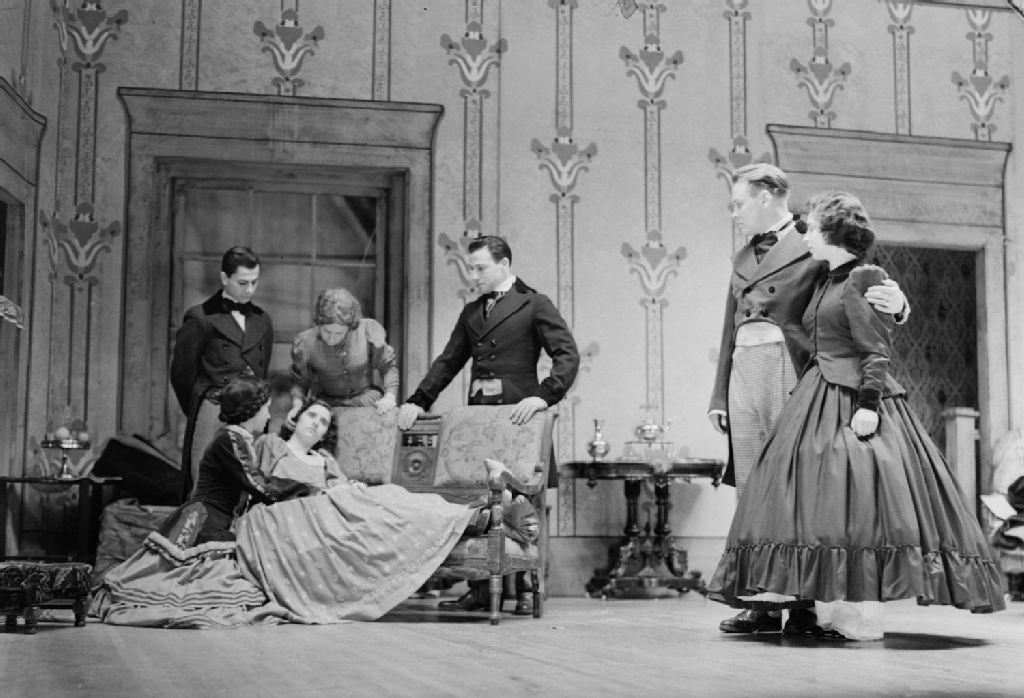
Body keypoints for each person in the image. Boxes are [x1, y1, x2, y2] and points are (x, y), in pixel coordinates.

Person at [707, 190, 1005, 641]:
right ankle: (786, 605)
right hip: (807, 388)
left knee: (855, 500)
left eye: (813, 227)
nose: (806, 233)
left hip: (844, 393)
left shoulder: (853, 272)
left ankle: (842, 614)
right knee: (806, 501)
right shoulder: (822, 275)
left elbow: (875, 342)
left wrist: (896, 311)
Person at [709, 164, 909, 634]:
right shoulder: (743, 255)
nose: (734, 213)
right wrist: (718, 394)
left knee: (793, 486)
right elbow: (728, 327)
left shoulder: (815, 239)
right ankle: (761, 600)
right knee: (752, 483)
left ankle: (801, 601)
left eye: (738, 203)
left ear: (764, 197)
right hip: (744, 369)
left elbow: (857, 285)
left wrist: (899, 305)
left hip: (793, 366)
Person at [396, 234, 580, 615]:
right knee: (479, 497)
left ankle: (527, 590)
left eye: (480, 268)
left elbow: (567, 354)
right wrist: (418, 401)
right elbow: (447, 362)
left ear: (504, 264)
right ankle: (481, 591)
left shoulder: (534, 304)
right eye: (471, 269)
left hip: (518, 419)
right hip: (480, 420)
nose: (473, 276)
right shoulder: (471, 313)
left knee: (522, 502)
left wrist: (544, 396)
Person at [92, 376, 313, 629]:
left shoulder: (237, 438)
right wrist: (303, 487)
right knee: (189, 582)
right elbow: (256, 483)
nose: (268, 414)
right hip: (202, 519)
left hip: (213, 517)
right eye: (265, 408)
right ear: (250, 411)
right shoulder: (230, 440)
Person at [171, 246, 273, 501]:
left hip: (252, 414)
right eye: (242, 283)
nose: (249, 290)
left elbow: (262, 373)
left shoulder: (263, 320)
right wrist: (201, 407)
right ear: (224, 278)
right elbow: (182, 374)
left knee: (250, 485)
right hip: (214, 410)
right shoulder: (201, 317)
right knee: (204, 483)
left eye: (254, 282)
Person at [289, 288, 399, 419]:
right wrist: (297, 405)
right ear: (319, 323)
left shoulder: (366, 331)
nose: (331, 338)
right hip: (327, 406)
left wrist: (390, 396)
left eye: (338, 333)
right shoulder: (306, 342)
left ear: (350, 327)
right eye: (326, 331)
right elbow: (300, 382)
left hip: (366, 402)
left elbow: (388, 367)